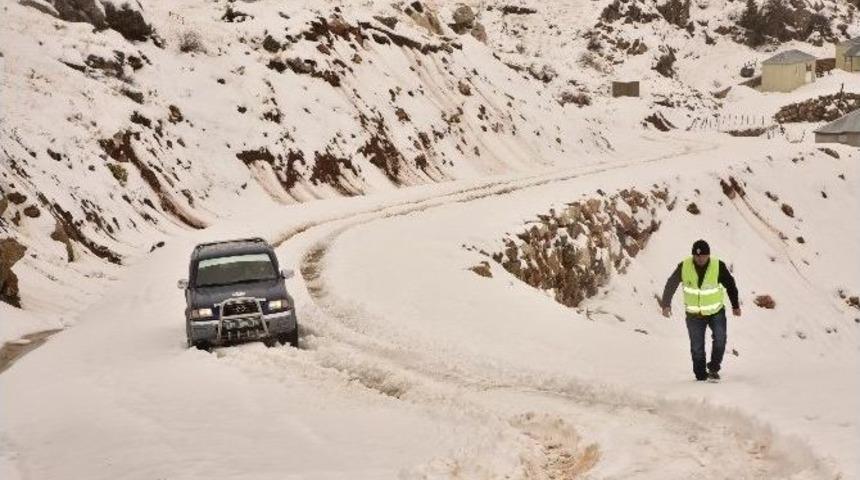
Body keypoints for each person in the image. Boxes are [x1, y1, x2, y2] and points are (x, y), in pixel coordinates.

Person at [661, 240, 740, 381]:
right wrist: (666, 304)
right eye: (697, 256)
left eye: (703, 256)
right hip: (694, 315)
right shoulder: (685, 266)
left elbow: (730, 284)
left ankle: (714, 368)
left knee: (720, 339)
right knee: (697, 347)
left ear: (708, 255)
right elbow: (671, 283)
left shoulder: (718, 266)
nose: (700, 258)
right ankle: (700, 376)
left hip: (716, 311)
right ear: (693, 256)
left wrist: (735, 305)